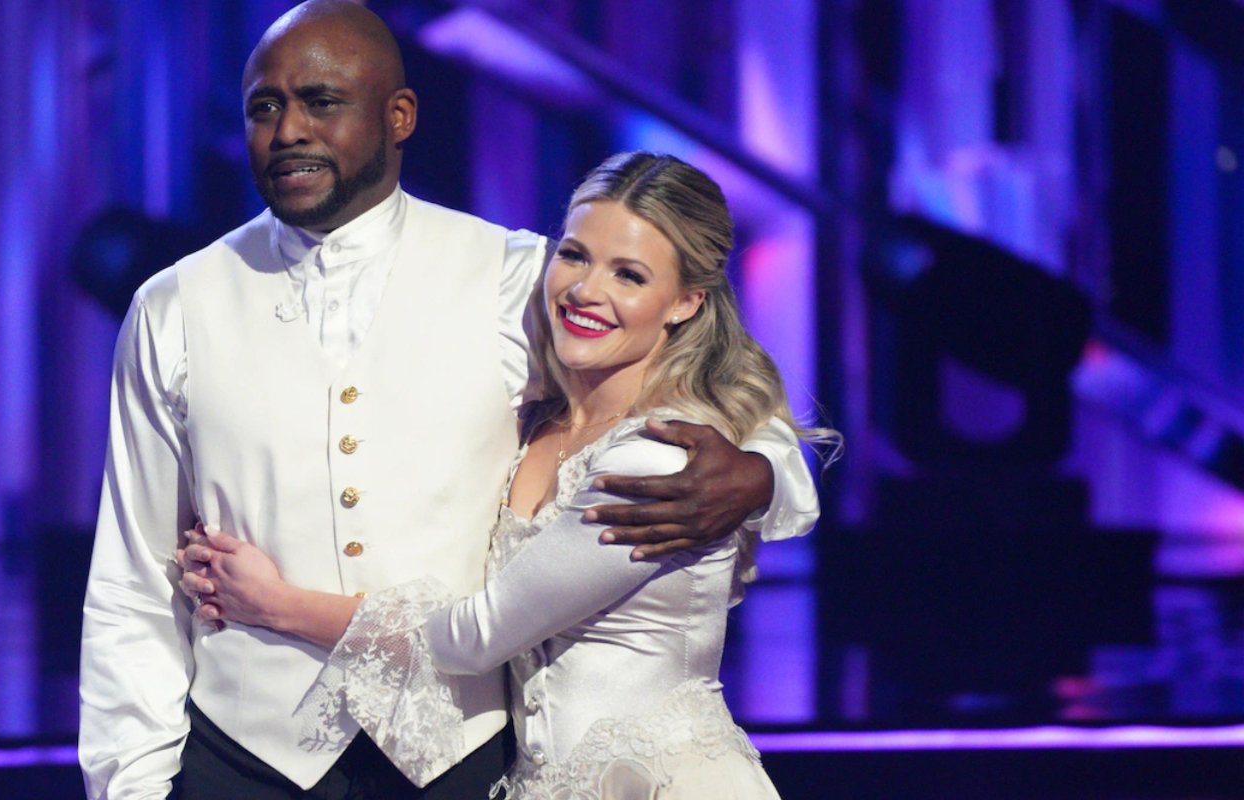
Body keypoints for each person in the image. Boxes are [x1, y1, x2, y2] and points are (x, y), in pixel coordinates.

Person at [77, 2, 818, 798]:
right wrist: (131, 787)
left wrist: (762, 473)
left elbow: (715, 384)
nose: (288, 129)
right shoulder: (175, 306)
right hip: (246, 756)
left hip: (457, 760)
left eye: (321, 101)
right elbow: (132, 580)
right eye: (265, 106)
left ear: (399, 115)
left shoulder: (514, 276)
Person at [182, 151, 836, 799]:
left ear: (685, 301)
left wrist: (277, 605)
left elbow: (476, 636)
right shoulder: (545, 420)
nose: (586, 290)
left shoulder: (658, 458)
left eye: (629, 275)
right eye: (575, 255)